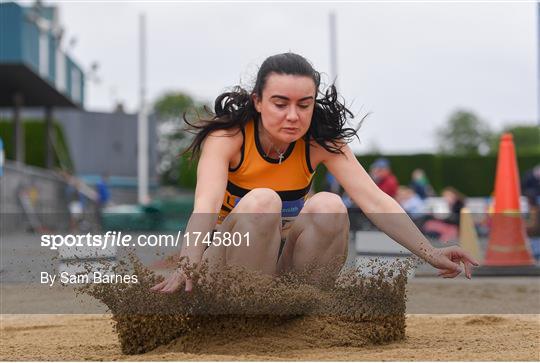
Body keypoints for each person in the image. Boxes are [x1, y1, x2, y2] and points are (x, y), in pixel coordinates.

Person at [151, 53, 478, 294]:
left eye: (303, 104)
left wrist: (431, 252)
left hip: (283, 271)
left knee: (330, 206)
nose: (293, 116)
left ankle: (302, 311)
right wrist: (186, 266)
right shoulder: (228, 139)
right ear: (258, 101)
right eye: (280, 103)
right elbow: (204, 208)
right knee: (264, 201)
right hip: (222, 270)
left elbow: (375, 200)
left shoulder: (320, 143)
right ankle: (239, 316)